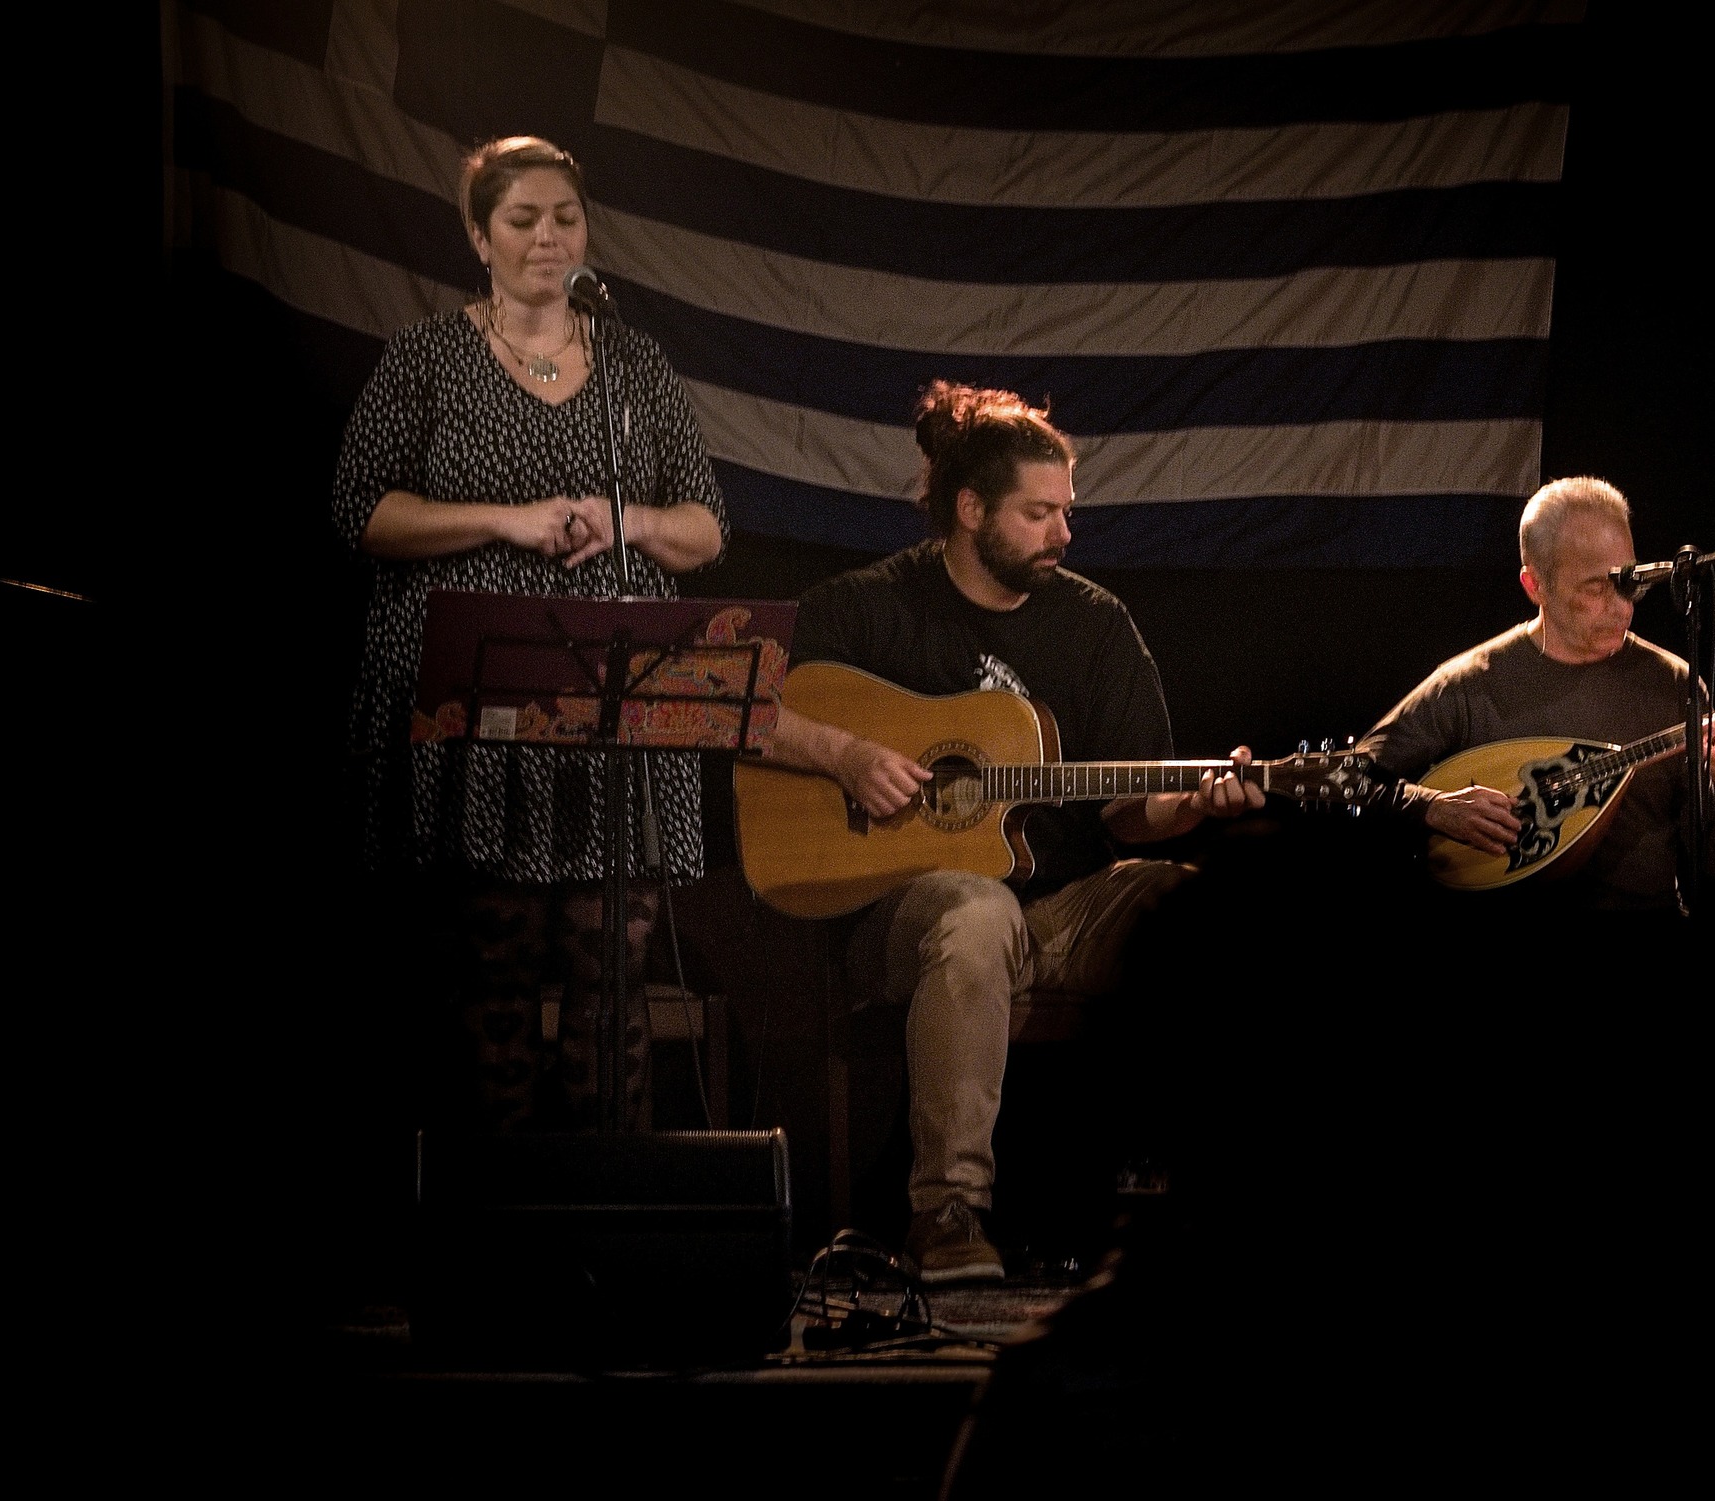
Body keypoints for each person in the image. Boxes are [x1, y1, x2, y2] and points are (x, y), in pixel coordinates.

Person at [763, 381, 1264, 1283]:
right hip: (908, 917)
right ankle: (947, 1213)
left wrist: (1194, 805)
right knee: (975, 909)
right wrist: (844, 753)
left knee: (1193, 902)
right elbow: (731, 704)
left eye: (1067, 511)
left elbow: (1132, 807)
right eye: (1039, 514)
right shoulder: (870, 605)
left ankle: (1182, 1195)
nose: (1063, 533)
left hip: (1061, 910)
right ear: (970, 509)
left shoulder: (1095, 624)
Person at [330, 135, 728, 1132]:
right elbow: (360, 510)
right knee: (493, 970)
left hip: (609, 714)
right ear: (479, 237)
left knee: (612, 967)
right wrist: (505, 521)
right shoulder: (425, 357)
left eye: (566, 217)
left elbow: (705, 527)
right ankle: (498, 1200)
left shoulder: (635, 363)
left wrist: (625, 520)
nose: (548, 237)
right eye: (522, 219)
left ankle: (612, 1195)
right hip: (481, 709)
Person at [1352, 474, 1715, 952]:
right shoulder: (1470, 683)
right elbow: (1352, 777)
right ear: (1534, 586)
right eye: (1594, 589)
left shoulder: (1675, 683)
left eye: (1628, 583)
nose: (1620, 609)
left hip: (1646, 933)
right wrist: (1433, 807)